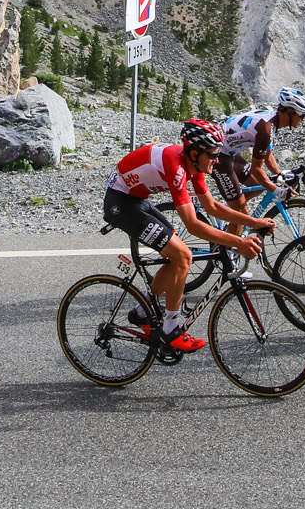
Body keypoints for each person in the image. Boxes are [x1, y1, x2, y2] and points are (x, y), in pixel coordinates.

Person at [103, 118, 265, 353]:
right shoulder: (176, 165)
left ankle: (142, 312)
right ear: (194, 152)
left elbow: (212, 208)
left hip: (137, 200)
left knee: (175, 254)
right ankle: (170, 329)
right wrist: (239, 242)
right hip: (120, 203)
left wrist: (255, 222)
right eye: (212, 155)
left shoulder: (195, 165)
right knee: (183, 256)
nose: (216, 160)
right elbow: (194, 226)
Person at [206, 87, 305, 215]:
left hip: (227, 151)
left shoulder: (271, 120)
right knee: (241, 213)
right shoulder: (266, 130)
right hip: (216, 153)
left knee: (257, 186)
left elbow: (267, 156)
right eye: (302, 115)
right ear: (290, 112)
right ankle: (231, 219)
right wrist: (277, 191)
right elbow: (256, 169)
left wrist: (280, 175)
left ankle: (227, 214)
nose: (304, 119)